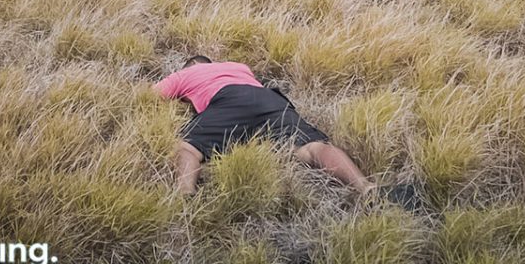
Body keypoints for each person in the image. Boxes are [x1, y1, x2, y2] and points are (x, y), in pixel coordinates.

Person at [153, 55, 378, 196]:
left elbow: (150, 96)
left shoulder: (185, 73)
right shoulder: (238, 67)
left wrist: (184, 95)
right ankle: (365, 187)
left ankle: (184, 197)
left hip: (226, 99)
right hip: (268, 98)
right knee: (312, 147)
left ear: (191, 65)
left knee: (188, 148)